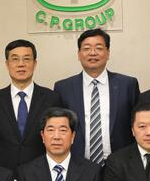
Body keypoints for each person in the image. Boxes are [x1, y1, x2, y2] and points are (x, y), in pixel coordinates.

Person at [55, 28, 140, 165]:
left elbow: (138, 124)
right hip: (77, 165)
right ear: (78, 54)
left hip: (121, 164)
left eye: (99, 48)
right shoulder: (63, 88)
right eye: (86, 48)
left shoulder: (128, 85)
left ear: (108, 53)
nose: (93, 53)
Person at [0, 39, 60, 170]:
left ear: (35, 64)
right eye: (15, 59)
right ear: (7, 64)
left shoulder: (51, 98)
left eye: (26, 59)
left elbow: (57, 140)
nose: (21, 64)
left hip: (41, 172)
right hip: (3, 174)